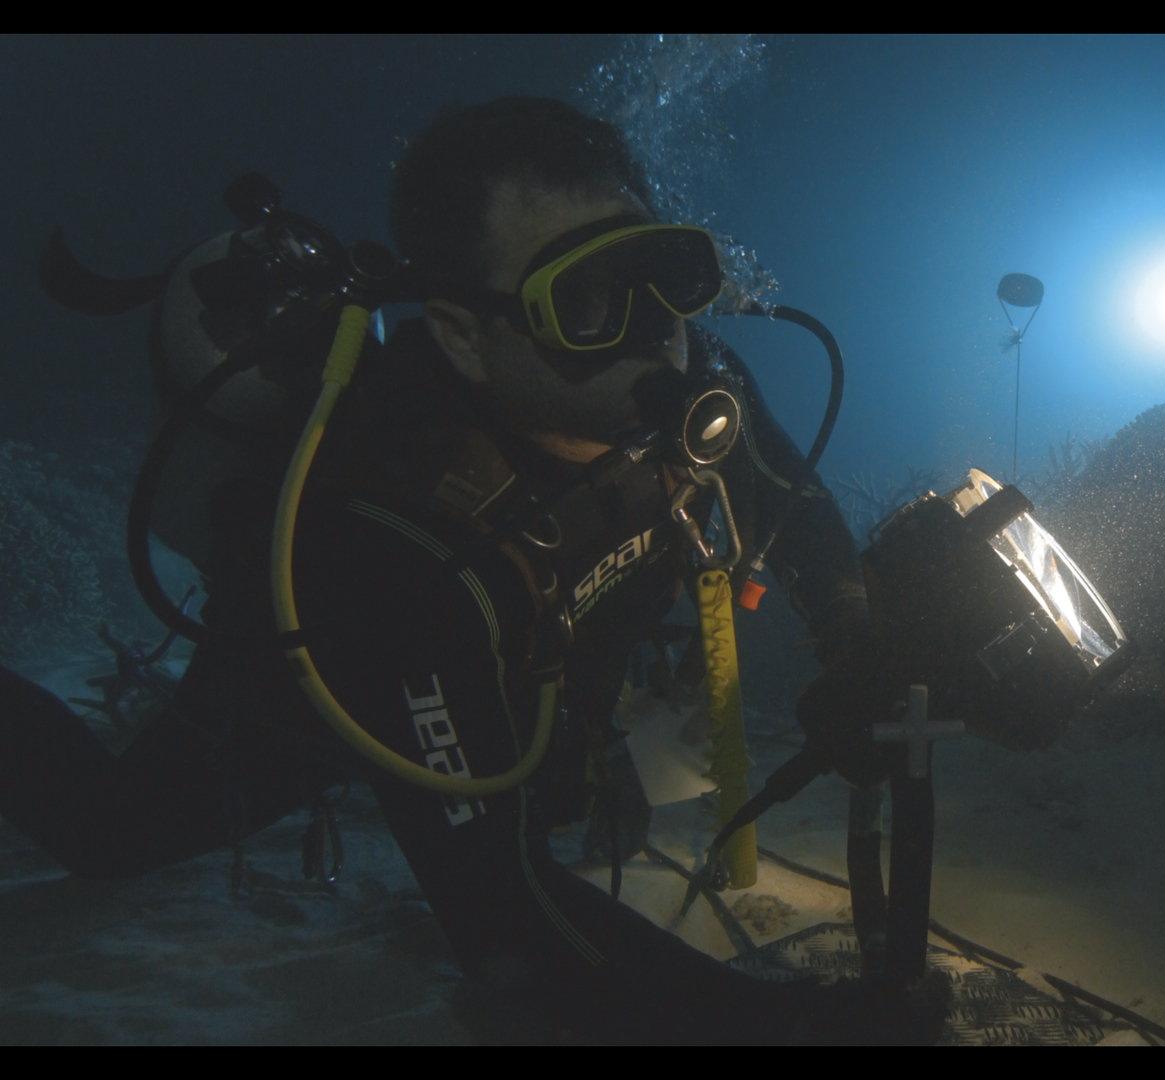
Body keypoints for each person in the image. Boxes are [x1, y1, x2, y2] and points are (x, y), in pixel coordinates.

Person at [0, 96, 928, 1044]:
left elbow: (792, 504)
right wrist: (799, 1027)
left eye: (664, 272)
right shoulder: (397, 553)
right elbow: (507, 925)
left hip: (518, 684)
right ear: (460, 335)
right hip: (320, 693)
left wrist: (852, 631)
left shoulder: (690, 388)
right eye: (588, 297)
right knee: (109, 834)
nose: (656, 328)